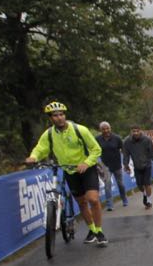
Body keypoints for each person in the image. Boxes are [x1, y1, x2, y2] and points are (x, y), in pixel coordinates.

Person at [25, 100, 108, 246]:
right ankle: (92, 230)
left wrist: (86, 163)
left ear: (65, 115)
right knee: (81, 202)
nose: (59, 118)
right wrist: (33, 157)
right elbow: (41, 148)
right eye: (55, 115)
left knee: (93, 199)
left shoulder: (80, 130)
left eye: (61, 114)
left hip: (87, 169)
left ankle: (100, 232)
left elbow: (96, 149)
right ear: (51, 118)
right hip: (69, 171)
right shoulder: (49, 134)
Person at [123, 125, 153, 210]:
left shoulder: (147, 140)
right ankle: (144, 194)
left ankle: (149, 201)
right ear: (131, 132)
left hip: (147, 165)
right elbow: (126, 155)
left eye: (137, 131)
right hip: (137, 166)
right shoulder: (127, 142)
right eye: (133, 131)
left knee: (147, 183)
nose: (135, 133)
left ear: (140, 131)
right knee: (140, 185)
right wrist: (126, 165)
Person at [97, 121, 128, 211]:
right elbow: (95, 150)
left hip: (117, 164)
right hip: (105, 165)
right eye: (103, 129)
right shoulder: (97, 139)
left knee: (120, 184)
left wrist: (125, 162)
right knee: (107, 185)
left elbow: (123, 150)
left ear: (110, 128)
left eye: (107, 128)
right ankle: (110, 205)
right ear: (100, 130)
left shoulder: (117, 138)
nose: (106, 130)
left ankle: (124, 199)